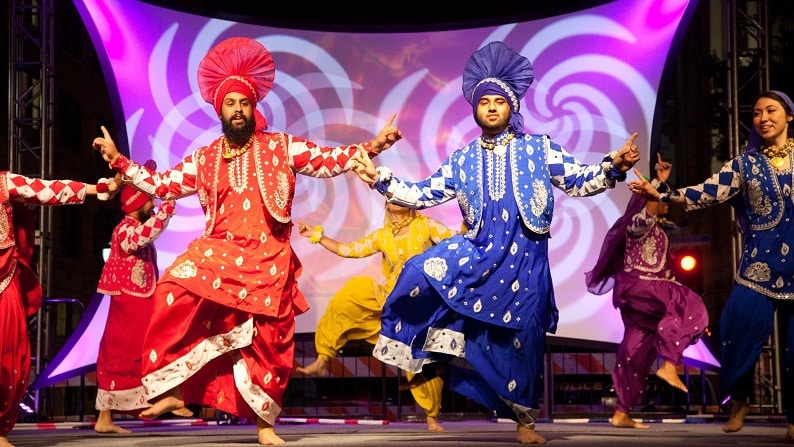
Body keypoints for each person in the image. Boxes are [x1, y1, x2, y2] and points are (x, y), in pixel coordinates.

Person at [90, 36, 402, 446]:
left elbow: (327, 161)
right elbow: (162, 184)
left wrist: (372, 146)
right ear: (219, 110)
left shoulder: (280, 146)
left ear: (253, 108)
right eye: (229, 104)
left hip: (267, 257)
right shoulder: (205, 157)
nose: (237, 110)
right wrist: (119, 162)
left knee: (266, 344)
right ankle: (176, 390)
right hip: (219, 250)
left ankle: (264, 427)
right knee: (169, 291)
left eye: (243, 103)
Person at [349, 40, 640, 444]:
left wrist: (614, 166)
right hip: (479, 254)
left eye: (498, 101)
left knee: (523, 342)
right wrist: (379, 177)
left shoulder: (539, 149)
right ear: (475, 108)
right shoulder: (463, 158)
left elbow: (579, 180)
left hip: (526, 262)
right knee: (420, 268)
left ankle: (525, 423)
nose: (490, 107)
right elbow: (421, 194)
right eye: (483, 101)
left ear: (512, 106)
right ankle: (432, 353)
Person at [628, 90, 794, 443]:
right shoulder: (743, 165)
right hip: (758, 267)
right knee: (734, 331)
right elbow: (707, 192)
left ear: (789, 116)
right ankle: (740, 400)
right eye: (756, 112)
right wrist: (663, 195)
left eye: (771, 111)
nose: (763, 117)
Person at [294, 202, 457, 432]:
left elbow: (456, 243)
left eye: (398, 195)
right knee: (352, 293)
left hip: (422, 305)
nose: (394, 200)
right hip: (391, 300)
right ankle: (323, 358)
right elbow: (348, 250)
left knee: (418, 358)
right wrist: (317, 236)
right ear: (387, 206)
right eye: (389, 197)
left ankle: (431, 416)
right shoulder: (383, 236)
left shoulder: (427, 226)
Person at [584, 153, 709, 429]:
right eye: (660, 196)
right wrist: (657, 185)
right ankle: (669, 365)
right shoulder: (638, 224)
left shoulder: (658, 230)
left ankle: (621, 412)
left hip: (636, 296)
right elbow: (648, 213)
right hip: (643, 287)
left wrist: (659, 182)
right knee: (689, 302)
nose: (664, 199)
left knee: (634, 350)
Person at [0, 172, 121, 447]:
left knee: (8, 359)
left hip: (3, 282)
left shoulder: (5, 184)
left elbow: (50, 189)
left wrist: (99, 187)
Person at [93, 160, 183, 434]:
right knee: (131, 351)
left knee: (126, 351)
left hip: (137, 299)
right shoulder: (125, 229)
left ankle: (105, 418)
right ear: (136, 203)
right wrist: (168, 205)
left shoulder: (129, 226)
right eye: (149, 202)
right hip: (131, 301)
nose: (152, 206)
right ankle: (167, 396)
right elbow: (141, 237)